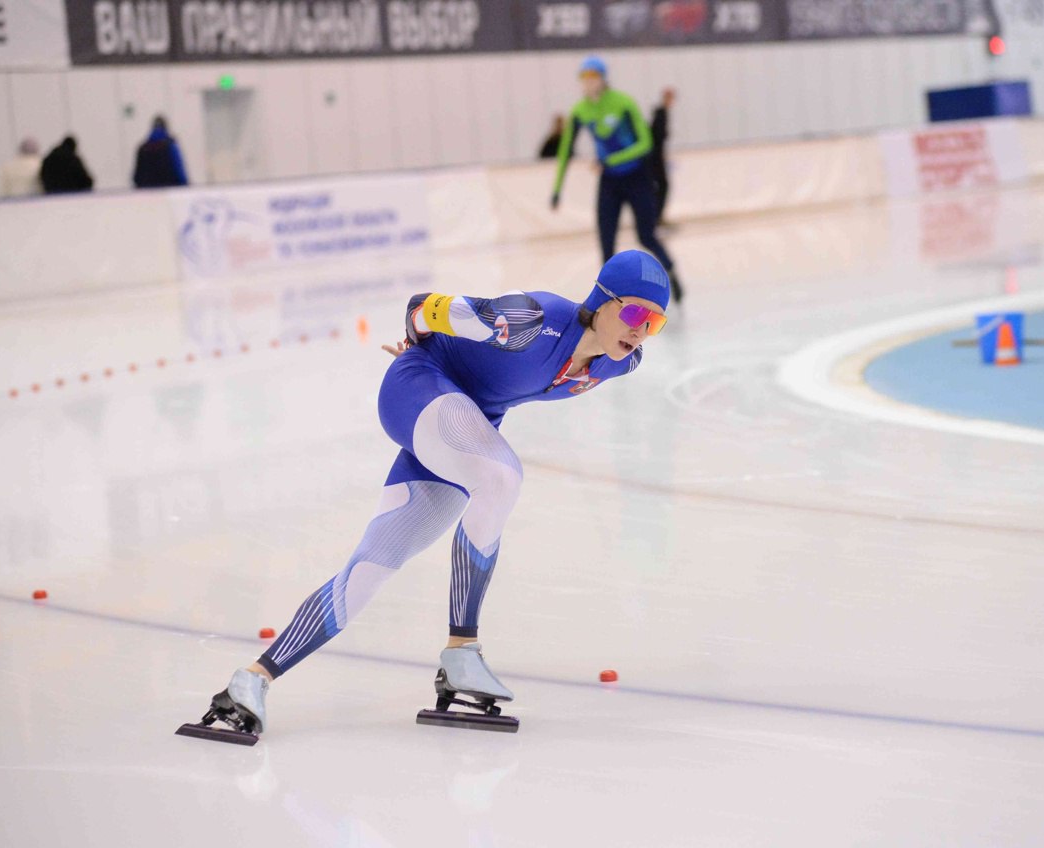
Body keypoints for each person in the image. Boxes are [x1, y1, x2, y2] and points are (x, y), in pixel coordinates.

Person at [193, 249, 672, 738]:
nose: (641, 330)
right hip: (418, 388)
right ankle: (462, 651)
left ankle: (250, 681)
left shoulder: (620, 363)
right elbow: (423, 306)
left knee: (374, 563)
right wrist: (417, 343)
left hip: (464, 424)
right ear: (601, 300)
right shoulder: (530, 320)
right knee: (501, 478)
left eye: (654, 323)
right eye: (636, 313)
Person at [550, 56, 684, 304]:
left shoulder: (622, 103)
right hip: (609, 182)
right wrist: (557, 189)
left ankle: (671, 272)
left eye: (593, 76)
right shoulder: (580, 111)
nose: (589, 82)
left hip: (637, 177)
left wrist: (611, 159)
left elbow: (645, 143)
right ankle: (606, 299)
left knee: (646, 236)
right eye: (584, 77)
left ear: (603, 78)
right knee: (606, 242)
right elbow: (565, 150)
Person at [133, 115, 189, 188]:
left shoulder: (143, 148)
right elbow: (179, 172)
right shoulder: (170, 145)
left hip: (147, 191)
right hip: (169, 190)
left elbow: (137, 177)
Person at [649, 88, 676, 226]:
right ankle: (656, 216)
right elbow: (656, 136)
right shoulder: (661, 113)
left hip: (656, 155)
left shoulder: (662, 112)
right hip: (655, 157)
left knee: (660, 186)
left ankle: (657, 216)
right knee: (662, 186)